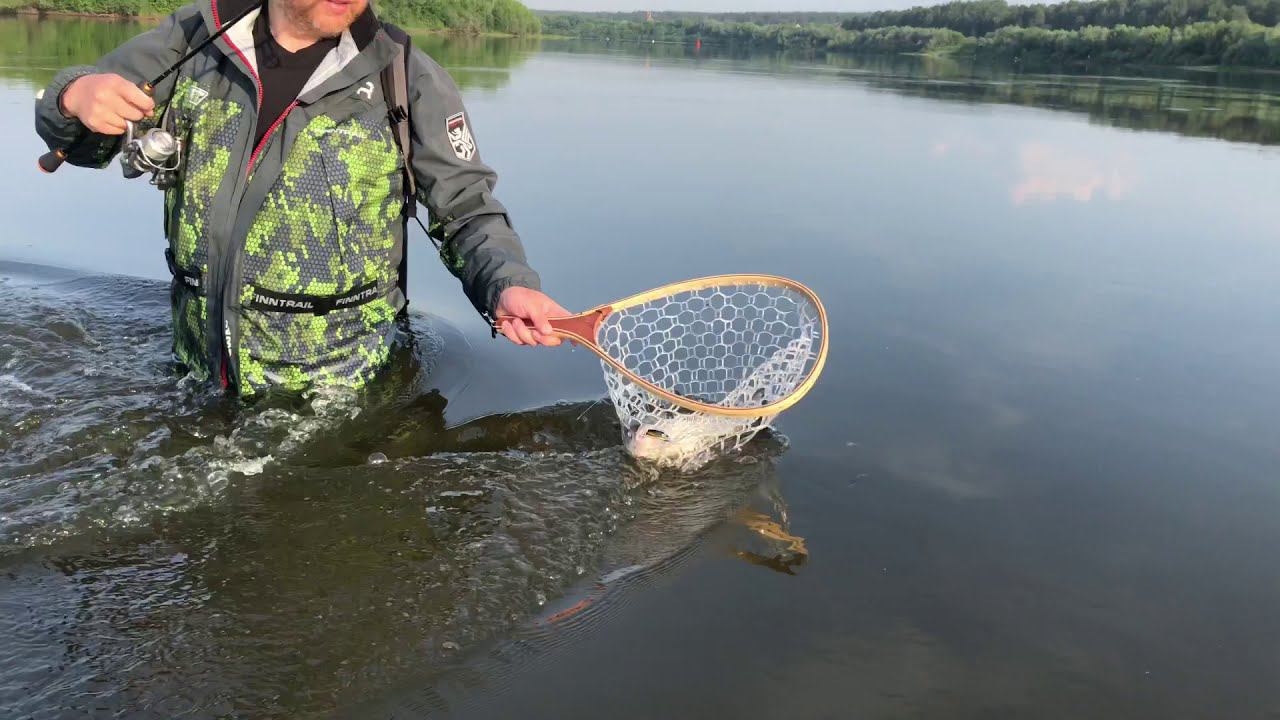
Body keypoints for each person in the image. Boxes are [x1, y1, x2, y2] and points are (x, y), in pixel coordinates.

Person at [34, 0, 566, 396]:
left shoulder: (404, 74)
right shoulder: (194, 39)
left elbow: (467, 208)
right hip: (196, 373)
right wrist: (73, 96)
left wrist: (506, 286)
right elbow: (80, 139)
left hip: (342, 391)